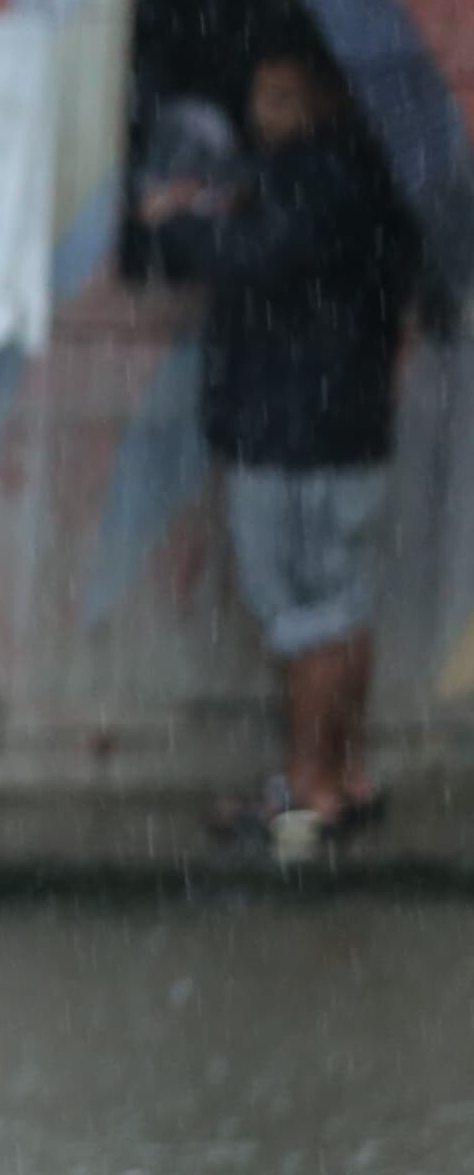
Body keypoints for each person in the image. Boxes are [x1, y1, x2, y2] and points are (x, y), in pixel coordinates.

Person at [140, 47, 422, 857]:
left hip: (295, 434)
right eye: (261, 95)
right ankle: (346, 777)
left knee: (303, 614)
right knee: (343, 605)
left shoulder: (315, 180)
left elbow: (255, 256)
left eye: (284, 97)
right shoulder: (372, 176)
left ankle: (308, 792)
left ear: (326, 99)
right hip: (347, 430)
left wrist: (178, 218)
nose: (264, 114)